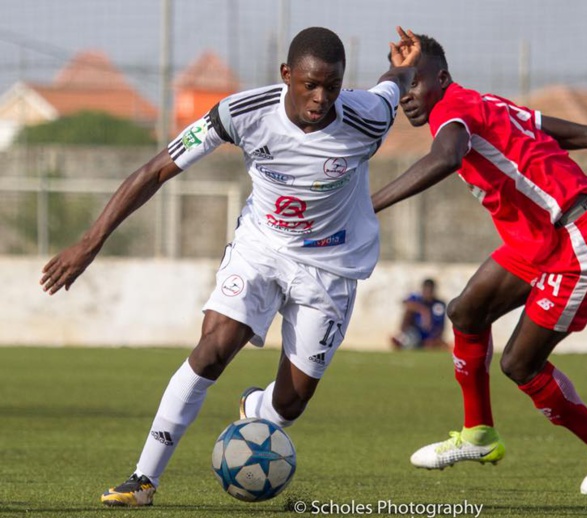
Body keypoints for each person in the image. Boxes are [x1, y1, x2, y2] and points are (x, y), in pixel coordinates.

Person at [40, 27, 421, 507]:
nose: (322, 98)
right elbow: (157, 169)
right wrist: (90, 242)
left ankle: (255, 406)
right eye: (310, 84)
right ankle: (143, 479)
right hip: (260, 248)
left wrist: (407, 66)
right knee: (213, 349)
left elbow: (393, 83)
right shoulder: (241, 113)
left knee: (290, 404)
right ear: (287, 75)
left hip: (331, 266)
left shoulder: (368, 118)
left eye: (333, 85)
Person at [372, 29, 587, 495]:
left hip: (581, 243)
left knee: (520, 364)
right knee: (465, 313)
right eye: (400, 90)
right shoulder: (488, 105)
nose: (406, 99)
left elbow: (446, 156)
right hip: (541, 239)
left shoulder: (452, 113)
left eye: (412, 84)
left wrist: (366, 205)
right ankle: (479, 435)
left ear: (441, 78)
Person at [391, 278, 449, 350]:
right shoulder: (416, 298)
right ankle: (402, 337)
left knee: (437, 344)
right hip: (416, 332)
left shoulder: (439, 304)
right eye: (426, 290)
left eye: (430, 291)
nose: (428, 293)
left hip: (430, 335)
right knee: (408, 312)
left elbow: (440, 325)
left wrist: (435, 337)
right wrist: (423, 311)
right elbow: (405, 303)